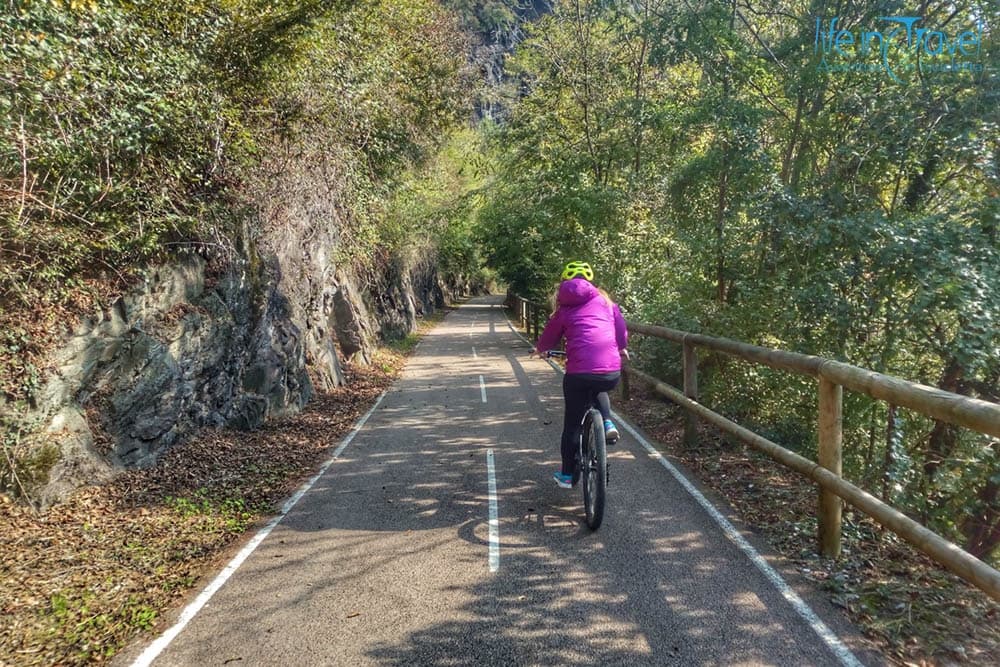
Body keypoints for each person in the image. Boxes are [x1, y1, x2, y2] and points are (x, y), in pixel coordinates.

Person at [531, 261, 629, 488]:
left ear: (564, 283)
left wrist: (540, 349)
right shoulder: (606, 302)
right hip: (610, 371)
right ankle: (606, 422)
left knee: (572, 424)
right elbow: (620, 329)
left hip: (578, 373)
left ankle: (567, 475)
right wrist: (621, 347)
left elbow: (549, 336)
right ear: (590, 282)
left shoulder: (564, 309)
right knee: (599, 387)